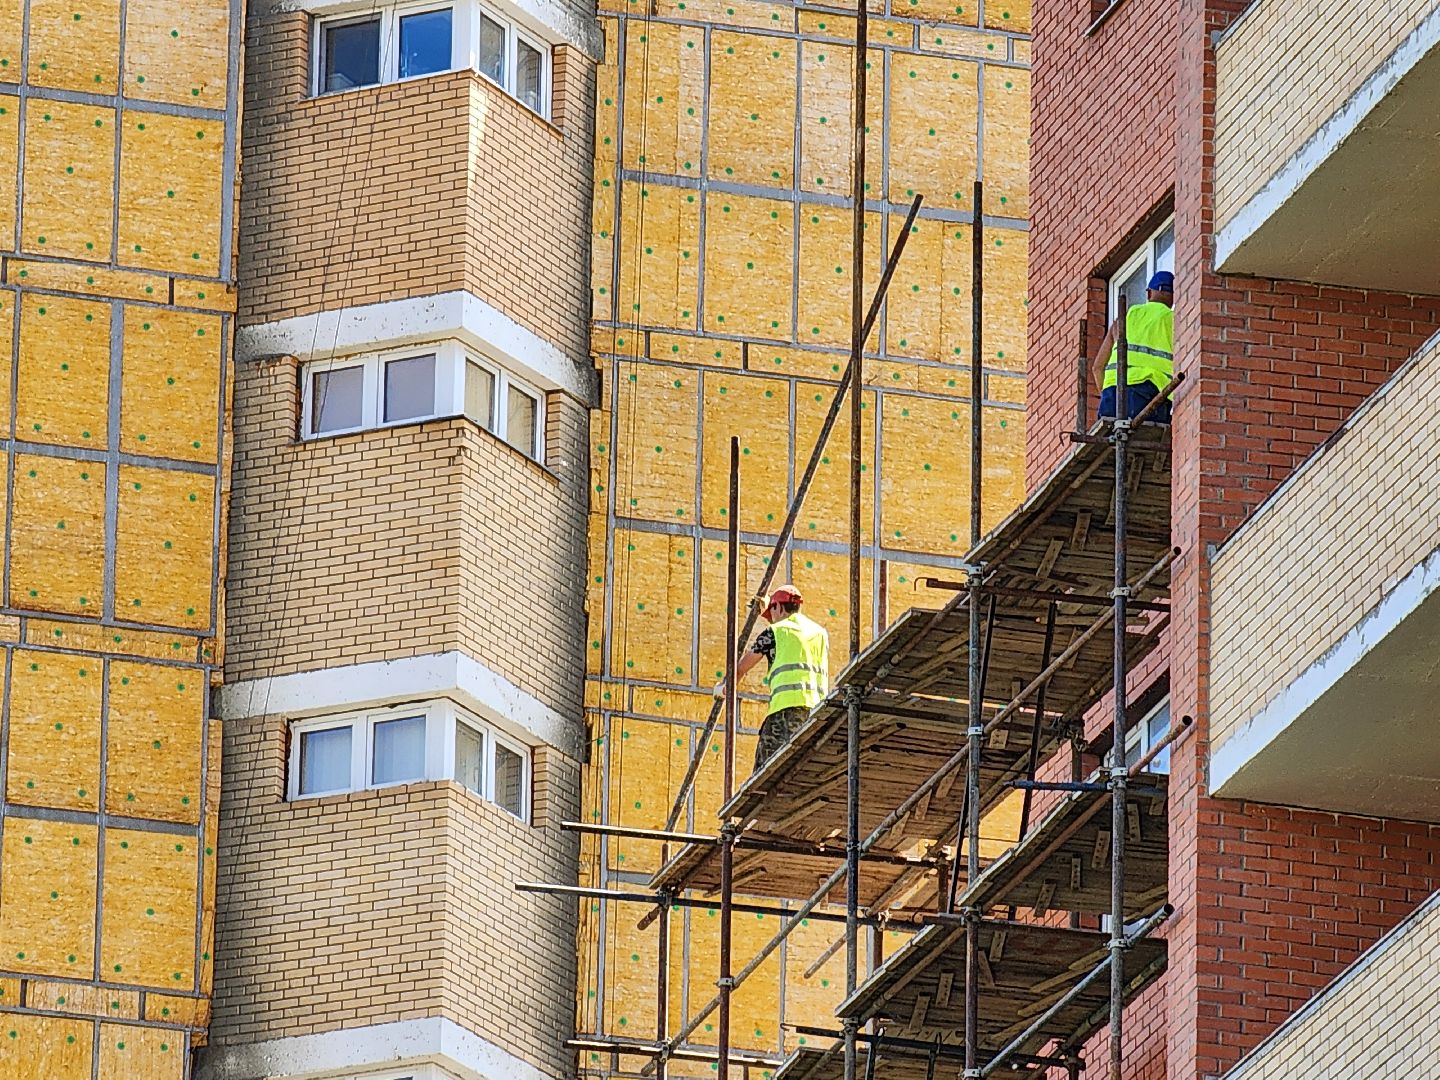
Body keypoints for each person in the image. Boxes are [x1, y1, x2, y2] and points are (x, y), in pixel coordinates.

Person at [713, 585, 830, 772]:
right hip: (817, 713)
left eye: (772, 611)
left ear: (779, 608)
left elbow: (742, 667)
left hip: (785, 711)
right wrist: (767, 612)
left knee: (764, 770)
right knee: (802, 769)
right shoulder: (819, 633)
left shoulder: (775, 632)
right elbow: (790, 639)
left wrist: (723, 687)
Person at [1092, 270, 1175, 424]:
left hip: (1112, 399)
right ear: (1174, 296)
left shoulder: (1124, 319)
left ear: (1149, 293)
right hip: (1149, 399)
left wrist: (1108, 396)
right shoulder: (1173, 320)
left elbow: (1097, 368)